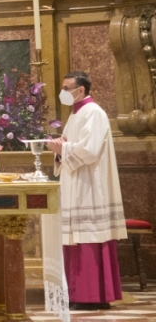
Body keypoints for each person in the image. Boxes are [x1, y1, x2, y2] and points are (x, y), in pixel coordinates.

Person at [47, 72, 127, 310]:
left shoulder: (94, 113)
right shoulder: (76, 113)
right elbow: (70, 146)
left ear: (80, 90)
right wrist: (59, 148)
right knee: (75, 238)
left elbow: (90, 150)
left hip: (90, 185)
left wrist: (64, 148)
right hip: (76, 181)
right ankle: (76, 292)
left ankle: (92, 294)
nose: (62, 92)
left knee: (89, 237)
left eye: (66, 87)